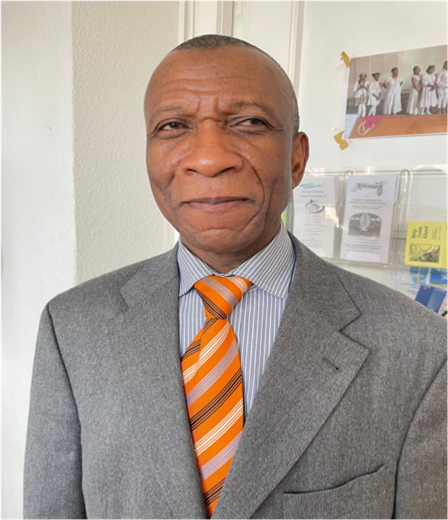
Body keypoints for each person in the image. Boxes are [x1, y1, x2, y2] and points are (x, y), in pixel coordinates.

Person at [24, 35, 448, 520]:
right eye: (173, 126)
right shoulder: (72, 328)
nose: (209, 158)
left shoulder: (421, 350)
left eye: (249, 122)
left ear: (296, 158)